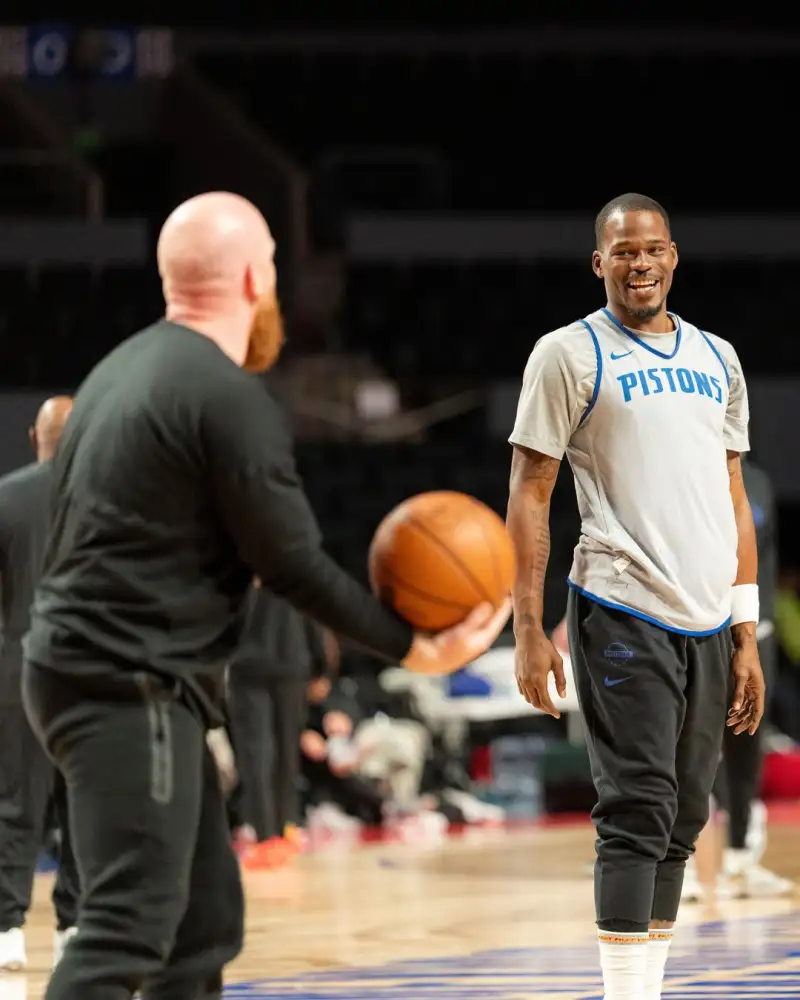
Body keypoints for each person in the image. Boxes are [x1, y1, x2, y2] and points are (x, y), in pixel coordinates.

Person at [22, 191, 510, 1000]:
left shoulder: (116, 373)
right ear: (256, 276)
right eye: (276, 266)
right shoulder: (229, 396)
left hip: (101, 676)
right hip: (127, 683)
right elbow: (295, 566)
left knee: (204, 919)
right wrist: (418, 646)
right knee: (127, 927)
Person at [507, 192, 764, 1000]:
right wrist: (526, 625)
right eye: (623, 251)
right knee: (638, 804)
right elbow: (529, 491)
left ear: (674, 255)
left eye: (652, 248)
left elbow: (732, 494)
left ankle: (644, 989)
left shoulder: (719, 357)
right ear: (599, 262)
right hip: (620, 602)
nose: (639, 262)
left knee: (687, 812)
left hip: (709, 614)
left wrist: (747, 625)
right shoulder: (568, 354)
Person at [682, 456, 792, 901]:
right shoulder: (687, 475)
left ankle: (741, 860)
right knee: (693, 749)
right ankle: (682, 862)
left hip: (754, 633)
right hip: (702, 631)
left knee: (748, 749)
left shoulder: (760, 482)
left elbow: (765, 557)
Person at [0, 396, 80, 971]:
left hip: (16, 668)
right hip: (88, 672)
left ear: (34, 436)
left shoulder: (4, 497)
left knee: (13, 804)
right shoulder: (111, 501)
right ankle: (74, 928)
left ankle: (5, 930)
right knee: (82, 805)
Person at [227, 578, 327, 867]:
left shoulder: (234, 561)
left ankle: (265, 837)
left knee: (255, 753)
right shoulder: (285, 557)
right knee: (285, 751)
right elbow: (312, 610)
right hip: (291, 659)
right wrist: (319, 662)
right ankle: (286, 828)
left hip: (246, 665)